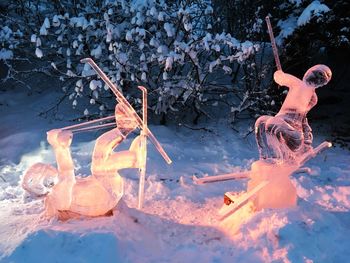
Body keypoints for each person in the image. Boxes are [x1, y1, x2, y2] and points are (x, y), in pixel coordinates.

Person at [43, 103, 142, 218]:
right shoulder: (59, 196)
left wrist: (58, 144)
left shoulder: (56, 190)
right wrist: (61, 146)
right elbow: (66, 170)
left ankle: (131, 150)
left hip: (102, 188)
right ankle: (133, 155)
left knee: (100, 151)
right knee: (101, 164)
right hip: (106, 196)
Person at [255, 64, 332, 163]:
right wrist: (279, 75)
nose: (317, 79)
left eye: (321, 79)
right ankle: (266, 156)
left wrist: (306, 140)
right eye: (316, 74)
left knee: (271, 124)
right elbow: (279, 78)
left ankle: (276, 158)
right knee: (261, 121)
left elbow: (303, 118)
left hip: (295, 134)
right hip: (281, 122)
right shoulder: (296, 83)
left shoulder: (312, 98)